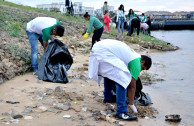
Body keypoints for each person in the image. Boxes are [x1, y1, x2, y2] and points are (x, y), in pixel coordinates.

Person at [89, 39, 152, 121]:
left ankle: (108, 97)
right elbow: (132, 86)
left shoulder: (133, 56)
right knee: (123, 80)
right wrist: (131, 104)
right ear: (142, 61)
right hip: (103, 51)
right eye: (142, 68)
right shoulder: (136, 63)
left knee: (111, 75)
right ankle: (121, 112)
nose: (140, 71)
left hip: (98, 48)